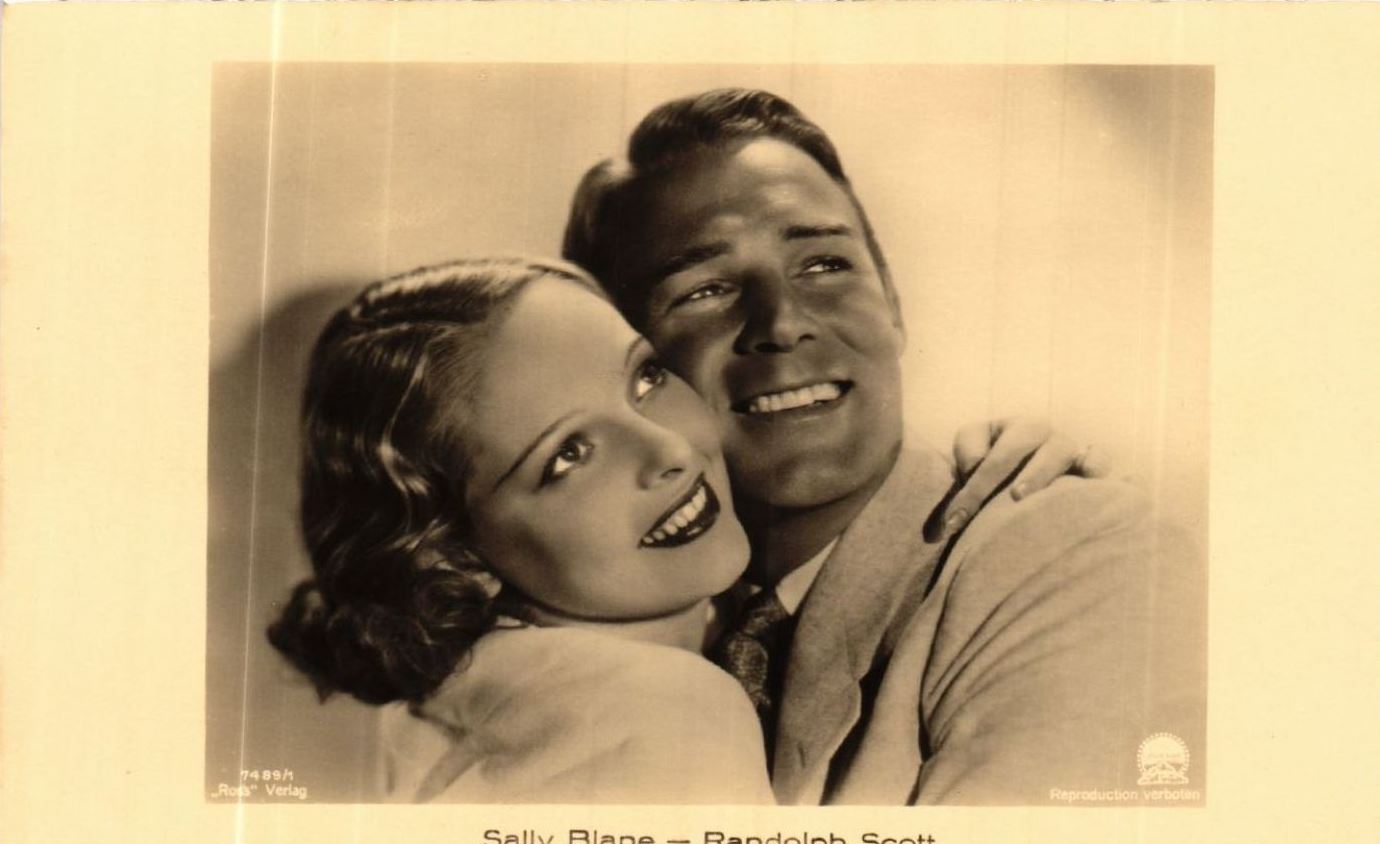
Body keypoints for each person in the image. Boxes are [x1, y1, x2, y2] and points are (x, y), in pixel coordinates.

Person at [562, 88, 1207, 804]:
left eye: (824, 264)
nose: (781, 323)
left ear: (892, 302)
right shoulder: (637, 640)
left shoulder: (1070, 553)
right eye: (705, 289)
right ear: (631, 372)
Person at [269, 257, 774, 804]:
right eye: (568, 455)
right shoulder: (668, 715)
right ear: (453, 554)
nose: (669, 449)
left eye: (645, 378)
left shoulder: (470, 701)